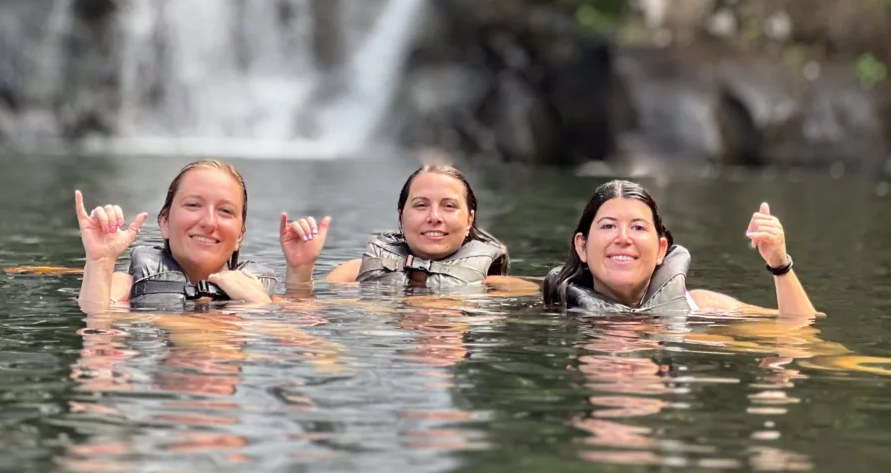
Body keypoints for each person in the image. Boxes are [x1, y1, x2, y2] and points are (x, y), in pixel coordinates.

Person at [543, 179, 817, 317]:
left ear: (661, 249)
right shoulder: (557, 305)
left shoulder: (699, 307)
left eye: (638, 227)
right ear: (582, 246)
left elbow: (802, 327)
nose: (623, 238)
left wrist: (780, 265)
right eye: (608, 226)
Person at [281, 164, 536, 293]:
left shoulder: (495, 287)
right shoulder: (353, 273)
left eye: (448, 206)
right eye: (421, 205)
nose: (434, 217)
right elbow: (301, 317)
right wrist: (300, 269)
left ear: (469, 220)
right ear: (401, 217)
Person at [75, 159, 278, 311]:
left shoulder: (261, 293)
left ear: (240, 236)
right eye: (193, 205)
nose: (208, 222)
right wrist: (100, 261)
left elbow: (306, 352)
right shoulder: (127, 288)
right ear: (165, 222)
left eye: (225, 211)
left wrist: (260, 303)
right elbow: (96, 321)